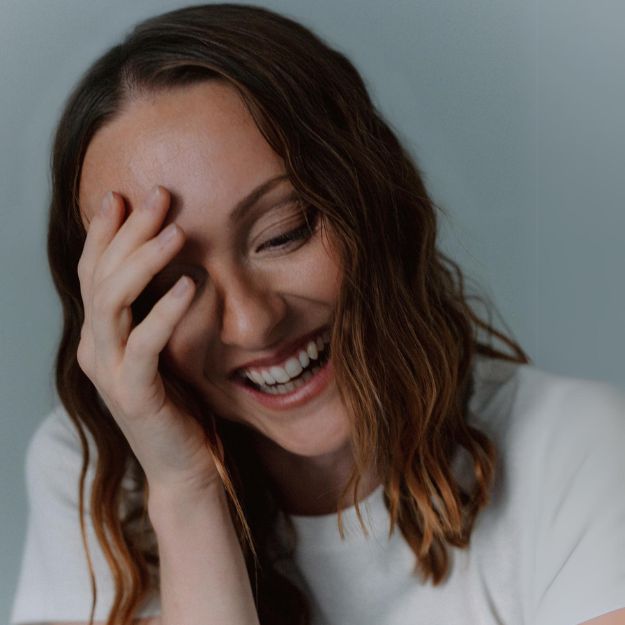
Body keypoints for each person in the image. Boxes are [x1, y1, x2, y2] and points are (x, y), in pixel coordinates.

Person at [9, 4, 625, 625]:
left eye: (285, 233)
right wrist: (184, 490)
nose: (251, 323)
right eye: (172, 285)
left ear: (373, 201)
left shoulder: (577, 448)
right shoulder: (90, 478)